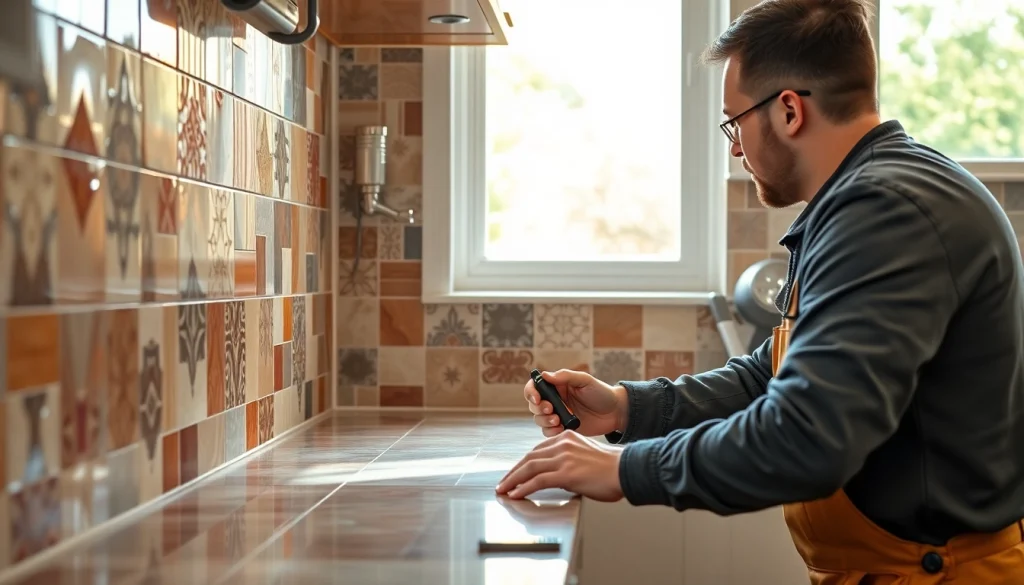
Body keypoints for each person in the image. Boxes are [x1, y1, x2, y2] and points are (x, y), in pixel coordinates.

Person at [495, 0, 1024, 582]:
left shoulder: (884, 211)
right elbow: (774, 375)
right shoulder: (865, 199)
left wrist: (623, 470)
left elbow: (808, 437)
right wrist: (627, 408)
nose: (734, 146)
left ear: (790, 111)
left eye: (734, 122)